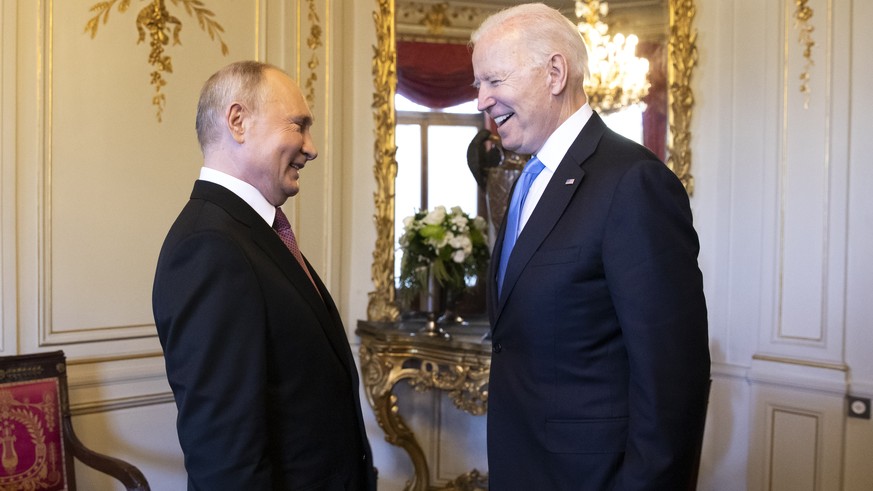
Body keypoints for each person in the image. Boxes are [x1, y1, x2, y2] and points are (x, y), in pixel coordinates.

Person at [470, 4, 711, 490]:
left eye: (493, 81)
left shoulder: (633, 182)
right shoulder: (527, 180)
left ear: (554, 72)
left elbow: (672, 379)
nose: (480, 100)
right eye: (478, 85)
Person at [152, 61, 377, 490]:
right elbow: (225, 454)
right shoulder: (210, 248)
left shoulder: (249, 232)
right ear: (238, 121)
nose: (311, 148)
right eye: (299, 126)